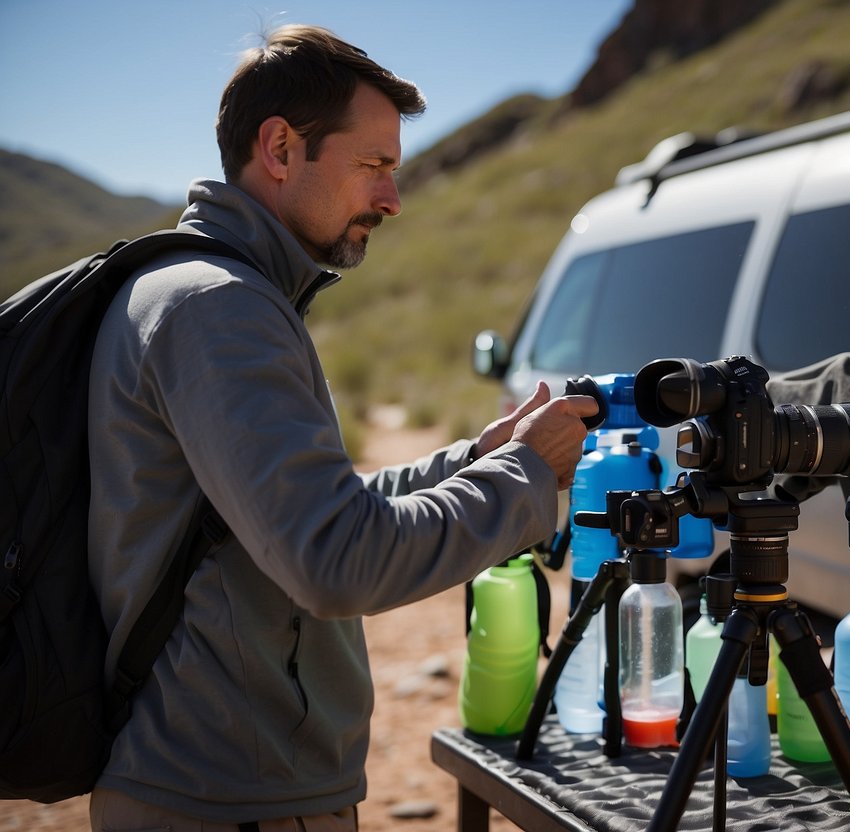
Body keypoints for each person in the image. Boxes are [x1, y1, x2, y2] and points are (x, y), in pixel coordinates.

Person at [86, 24, 596, 831]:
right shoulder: (219, 309)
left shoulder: (213, 295)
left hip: (220, 782)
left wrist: (477, 459)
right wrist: (526, 476)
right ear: (280, 148)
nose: (392, 199)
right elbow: (334, 558)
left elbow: (308, 510)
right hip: (232, 796)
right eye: (375, 166)